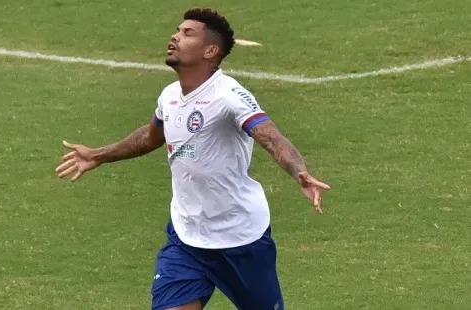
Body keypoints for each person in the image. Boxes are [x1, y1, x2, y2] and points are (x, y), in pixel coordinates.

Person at [56, 7, 330, 310]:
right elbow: (150, 137)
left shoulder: (228, 95)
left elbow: (270, 136)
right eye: (177, 30)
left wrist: (299, 172)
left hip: (240, 238)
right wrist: (99, 154)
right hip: (186, 238)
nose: (175, 36)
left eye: (187, 33)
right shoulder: (170, 95)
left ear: (210, 50)